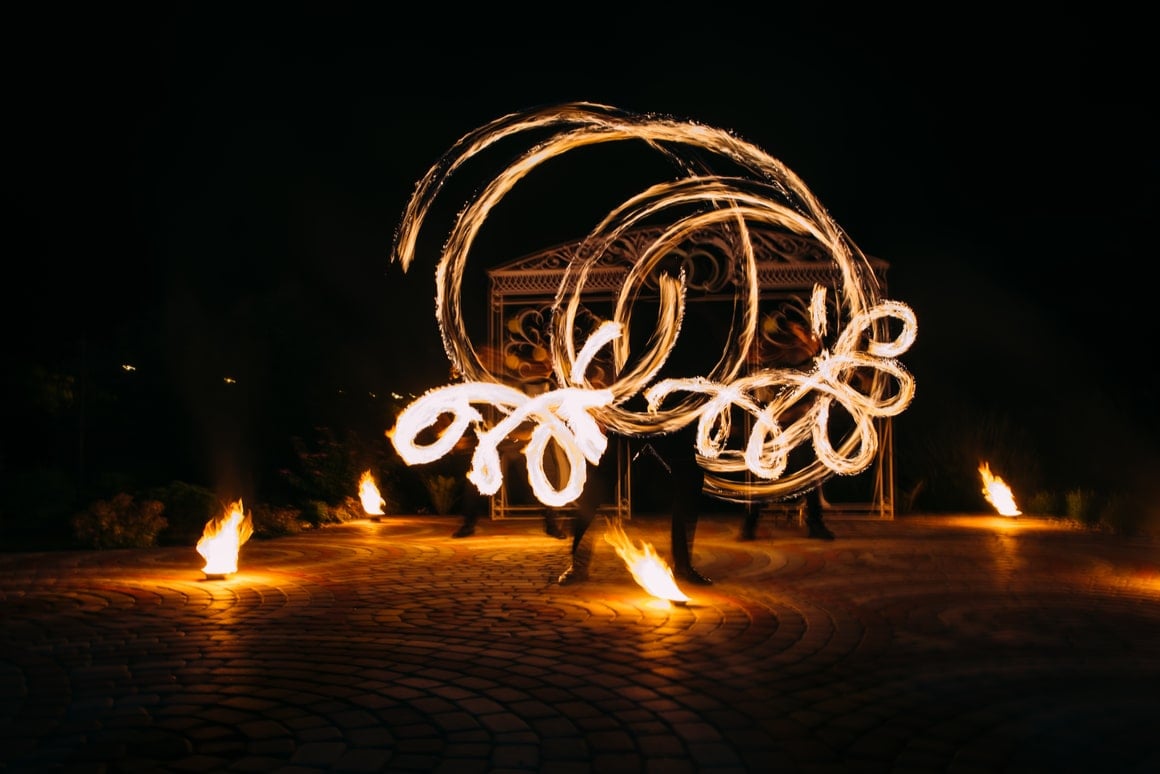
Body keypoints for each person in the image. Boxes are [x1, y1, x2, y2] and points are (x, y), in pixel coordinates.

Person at [557, 423, 713, 586]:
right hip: (633, 418)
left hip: (668, 417)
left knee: (690, 479)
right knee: (600, 484)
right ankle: (578, 564)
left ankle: (683, 566)